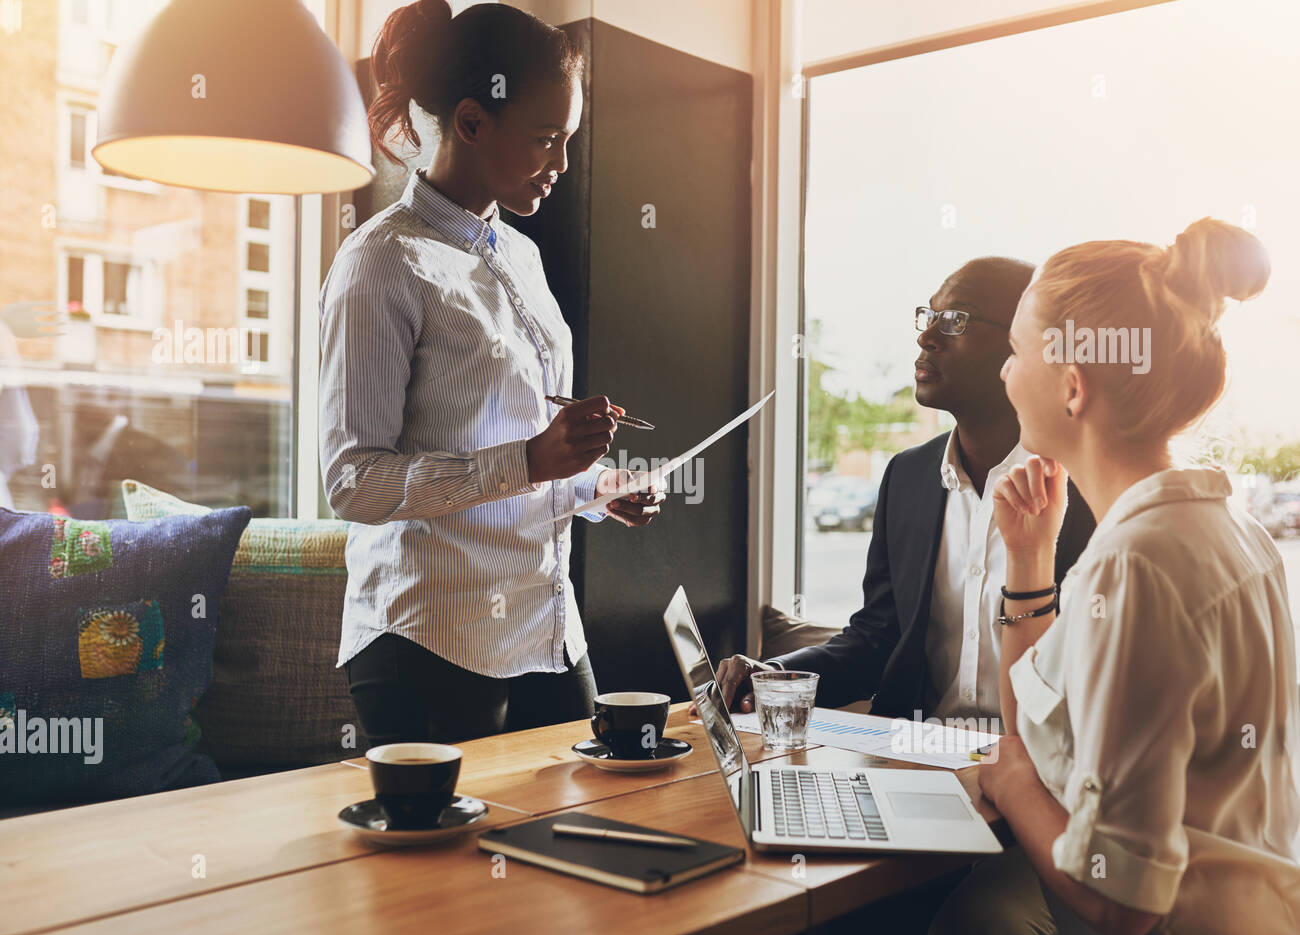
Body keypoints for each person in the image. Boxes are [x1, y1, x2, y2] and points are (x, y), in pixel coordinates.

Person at [318, 0, 664, 747]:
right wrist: (533, 458)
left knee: (580, 841)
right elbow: (354, 482)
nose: (563, 164)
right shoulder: (380, 263)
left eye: (568, 139)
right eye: (546, 139)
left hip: (543, 628)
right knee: (446, 867)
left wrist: (595, 489)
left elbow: (517, 463)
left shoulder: (524, 259)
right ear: (471, 122)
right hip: (427, 641)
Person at [980, 217, 1300, 935]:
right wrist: (1031, 561)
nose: (1003, 373)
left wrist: (1007, 783)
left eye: (1015, 351)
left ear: (1071, 386)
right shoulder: (1226, 530)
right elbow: (1038, 728)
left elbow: (1119, 901)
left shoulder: (1137, 567)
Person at [714, 258, 1095, 728]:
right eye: (928, 316)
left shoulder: (1082, 485)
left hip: (1036, 765)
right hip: (911, 753)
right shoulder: (908, 476)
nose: (926, 337)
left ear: (1021, 344)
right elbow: (877, 638)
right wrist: (776, 674)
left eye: (956, 320)